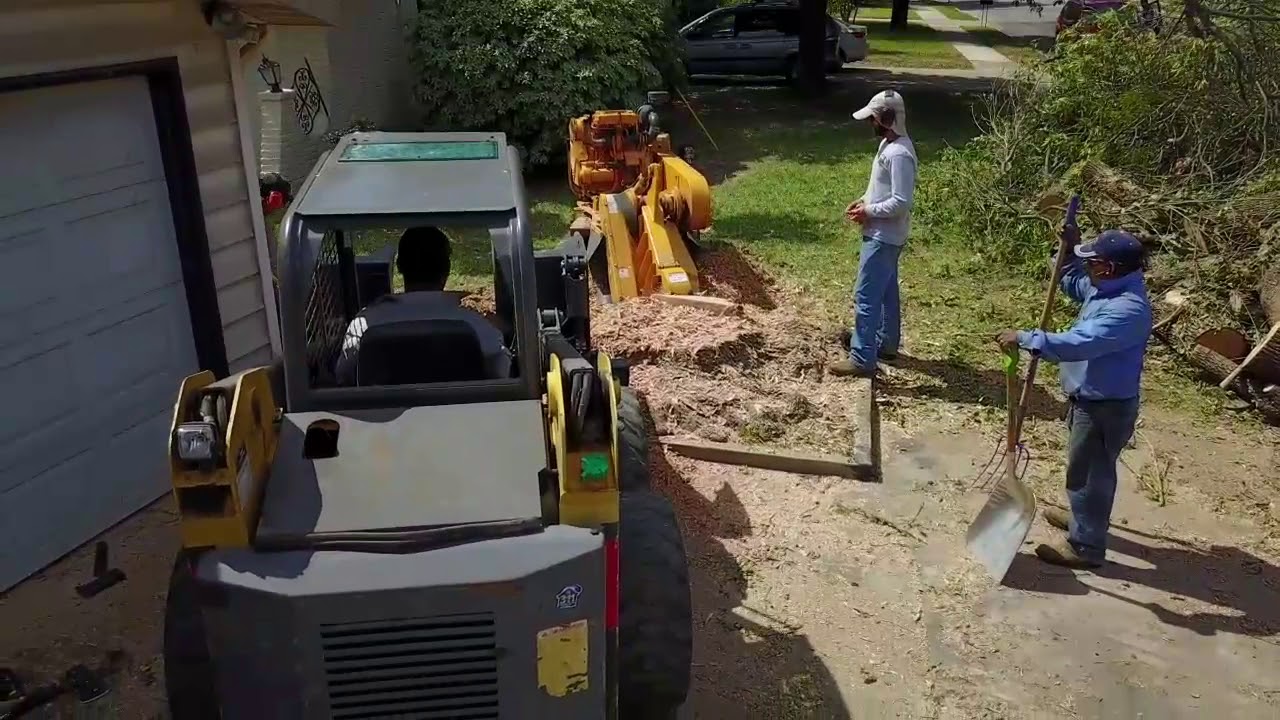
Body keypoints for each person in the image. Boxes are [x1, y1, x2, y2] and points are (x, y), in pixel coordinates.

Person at [995, 228, 1153, 569]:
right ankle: (1083, 518)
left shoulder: (1127, 310)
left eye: (1092, 263)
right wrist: (1067, 251)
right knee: (1084, 467)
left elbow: (1078, 343)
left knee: (1091, 474)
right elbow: (1070, 280)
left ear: (1109, 268)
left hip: (1104, 406)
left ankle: (1086, 546)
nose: (1088, 269)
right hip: (1088, 396)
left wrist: (1026, 338)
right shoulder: (1107, 288)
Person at [334, 226, 510, 385]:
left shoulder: (365, 324)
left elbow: (344, 376)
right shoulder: (476, 326)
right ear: (447, 268)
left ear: (399, 267)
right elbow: (502, 372)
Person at [829, 89, 918, 378]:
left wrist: (869, 212)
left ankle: (862, 357)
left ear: (887, 119)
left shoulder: (899, 154)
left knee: (866, 296)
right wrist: (864, 201)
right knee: (887, 291)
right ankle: (885, 343)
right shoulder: (887, 146)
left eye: (874, 118)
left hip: (883, 237)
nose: (871, 123)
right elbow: (882, 189)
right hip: (884, 233)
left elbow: (901, 201)